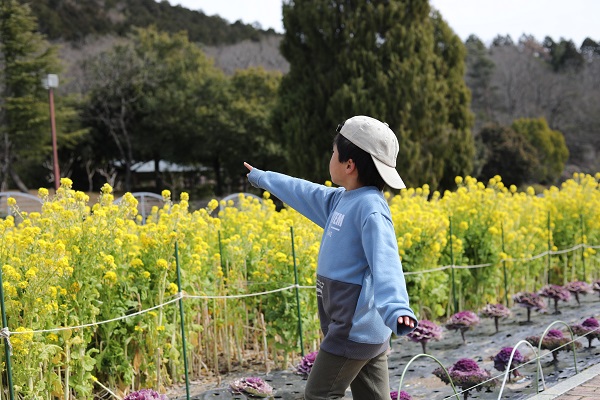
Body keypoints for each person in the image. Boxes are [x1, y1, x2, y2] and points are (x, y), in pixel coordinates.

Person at [244, 115, 418, 400]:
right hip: (364, 329)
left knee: (318, 395)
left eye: (334, 153)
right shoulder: (342, 199)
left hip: (352, 329)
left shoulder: (371, 209)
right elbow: (304, 192)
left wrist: (398, 308)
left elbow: (386, 262)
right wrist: (265, 178)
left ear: (349, 165)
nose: (331, 157)